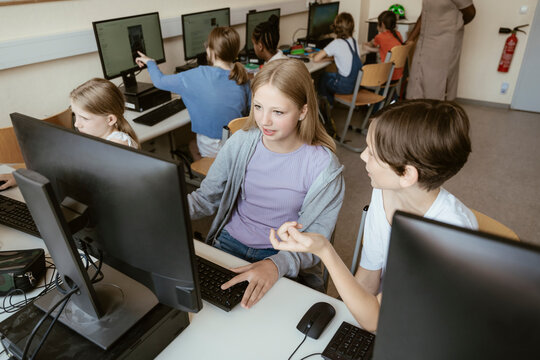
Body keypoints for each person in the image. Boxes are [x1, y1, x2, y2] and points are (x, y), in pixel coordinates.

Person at [270, 99, 478, 331]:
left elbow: (376, 322)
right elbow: (369, 277)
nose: (362, 156)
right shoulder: (386, 189)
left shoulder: (447, 235)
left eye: (374, 154)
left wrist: (325, 250)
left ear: (407, 175)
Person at [188, 59, 345, 309]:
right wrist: (166, 206)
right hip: (229, 242)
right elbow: (206, 199)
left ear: (303, 111)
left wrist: (275, 264)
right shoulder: (241, 142)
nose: (265, 121)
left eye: (278, 112)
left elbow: (314, 240)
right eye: (258, 107)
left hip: (282, 255)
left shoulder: (324, 167)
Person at [0, 78, 139, 190]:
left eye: (84, 118)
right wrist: (20, 176)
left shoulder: (118, 147)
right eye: (75, 115)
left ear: (110, 119)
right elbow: (62, 165)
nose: (77, 124)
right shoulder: (94, 137)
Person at [136, 27, 251, 161]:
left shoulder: (196, 75)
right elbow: (248, 113)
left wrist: (150, 62)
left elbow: (159, 81)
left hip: (213, 145)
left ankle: (209, 178)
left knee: (192, 145)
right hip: (237, 144)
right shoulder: (242, 77)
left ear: (210, 51)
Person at [406, 0, 476, 100]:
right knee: (418, 77)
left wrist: (454, 26)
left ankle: (439, 111)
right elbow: (425, 14)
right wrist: (411, 38)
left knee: (437, 82)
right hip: (425, 40)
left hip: (444, 42)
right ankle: (419, 110)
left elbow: (470, 13)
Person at [313, 12, 362, 105]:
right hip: (355, 85)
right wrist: (333, 59)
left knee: (323, 77)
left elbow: (316, 59)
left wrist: (329, 59)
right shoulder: (353, 41)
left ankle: (327, 107)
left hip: (344, 87)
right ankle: (329, 104)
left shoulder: (336, 43)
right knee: (330, 74)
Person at [364, 10, 404, 81]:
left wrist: (367, 46)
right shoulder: (398, 34)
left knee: (363, 67)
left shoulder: (380, 37)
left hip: (386, 75)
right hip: (397, 74)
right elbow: (386, 50)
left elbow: (370, 44)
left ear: (382, 24)